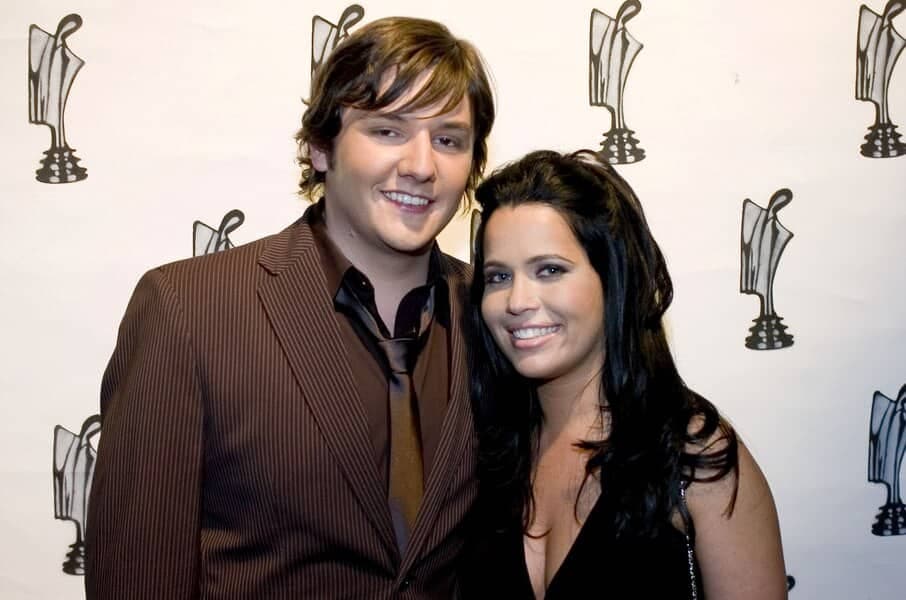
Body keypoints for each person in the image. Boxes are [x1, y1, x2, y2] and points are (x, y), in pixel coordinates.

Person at [86, 16, 495, 599]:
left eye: (449, 140)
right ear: (320, 148)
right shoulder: (189, 311)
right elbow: (138, 575)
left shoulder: (495, 317)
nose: (422, 166)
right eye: (388, 130)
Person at [461, 150, 787, 599]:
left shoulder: (694, 458)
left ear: (613, 278)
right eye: (498, 277)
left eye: (549, 270)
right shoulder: (480, 452)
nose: (517, 301)